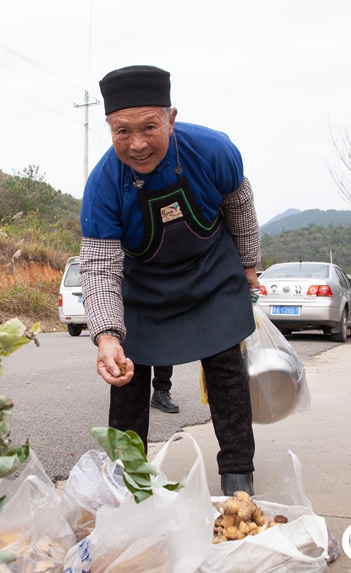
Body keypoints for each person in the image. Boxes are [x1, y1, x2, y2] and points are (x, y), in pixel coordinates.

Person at [80, 65, 261, 496]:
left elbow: (239, 208)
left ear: (171, 118)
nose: (137, 143)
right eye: (122, 131)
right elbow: (101, 266)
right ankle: (125, 484)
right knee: (126, 376)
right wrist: (106, 335)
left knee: (226, 373)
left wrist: (249, 265)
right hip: (144, 287)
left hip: (210, 272)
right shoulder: (104, 184)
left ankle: (238, 480)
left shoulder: (214, 150)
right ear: (108, 127)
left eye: (149, 127)